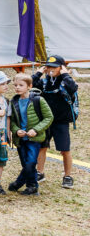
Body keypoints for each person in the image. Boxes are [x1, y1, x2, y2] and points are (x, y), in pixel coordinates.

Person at [33, 55, 79, 189]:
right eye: (48, 66)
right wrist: (39, 72)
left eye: (54, 67)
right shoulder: (44, 82)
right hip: (46, 120)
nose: (50, 69)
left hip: (61, 121)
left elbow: (73, 88)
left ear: (61, 67)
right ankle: (40, 172)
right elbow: (30, 84)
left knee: (65, 150)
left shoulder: (66, 81)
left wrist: (65, 74)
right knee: (42, 147)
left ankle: (67, 176)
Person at [8, 72, 53, 196]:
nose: (17, 87)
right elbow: (12, 121)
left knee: (31, 163)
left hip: (35, 138)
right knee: (25, 164)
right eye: (15, 85)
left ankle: (31, 186)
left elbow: (49, 117)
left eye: (21, 85)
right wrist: (17, 130)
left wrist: (36, 130)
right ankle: (21, 184)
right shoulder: (14, 101)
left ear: (29, 86)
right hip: (21, 139)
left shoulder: (38, 100)